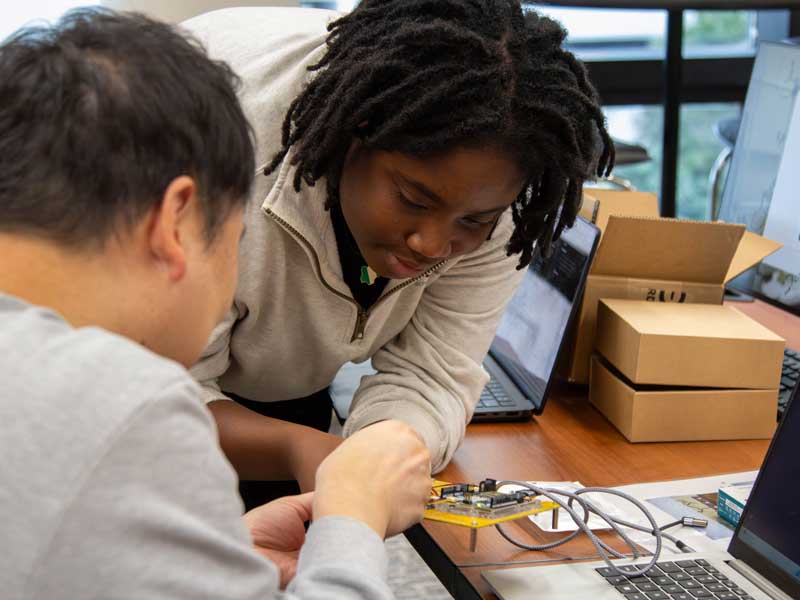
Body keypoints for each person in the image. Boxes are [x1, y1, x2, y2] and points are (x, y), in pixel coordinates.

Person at [0, 9, 431, 599]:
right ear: (175, 222)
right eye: (234, 244)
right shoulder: (122, 404)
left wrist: (213, 563)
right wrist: (351, 516)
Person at [184, 0, 613, 505]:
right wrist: (296, 448)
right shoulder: (218, 166)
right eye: (413, 199)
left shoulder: (504, 196)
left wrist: (388, 446)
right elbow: (146, 395)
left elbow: (433, 373)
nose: (432, 246)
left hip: (279, 389)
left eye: (473, 221)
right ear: (350, 137)